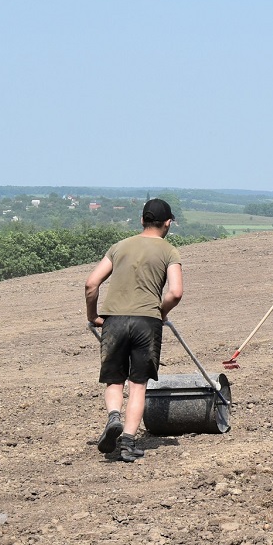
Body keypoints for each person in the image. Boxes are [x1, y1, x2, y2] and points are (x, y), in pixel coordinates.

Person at [85, 198, 184, 463]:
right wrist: (160, 312)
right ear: (168, 223)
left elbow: (91, 283)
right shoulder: (169, 251)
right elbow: (175, 292)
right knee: (138, 386)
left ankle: (113, 417)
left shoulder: (119, 247)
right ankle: (128, 443)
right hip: (146, 322)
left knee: (114, 381)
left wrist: (93, 315)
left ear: (142, 220)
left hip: (114, 321)